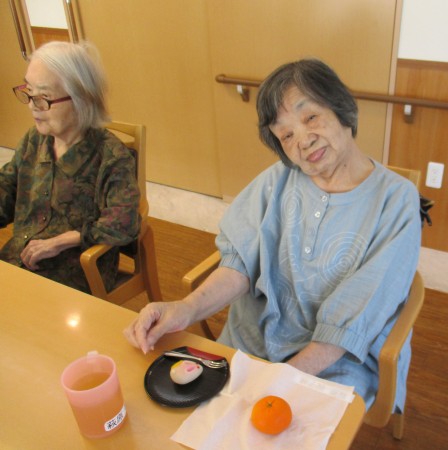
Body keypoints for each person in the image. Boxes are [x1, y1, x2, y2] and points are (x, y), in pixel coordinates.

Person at [124, 59, 421, 411]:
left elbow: (355, 317)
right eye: (286, 135)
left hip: (337, 359)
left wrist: (281, 379)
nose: (304, 141)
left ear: (341, 108)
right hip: (254, 338)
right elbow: (239, 264)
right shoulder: (276, 180)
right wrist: (185, 309)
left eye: (311, 117)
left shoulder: (396, 200)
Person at [0, 41, 140, 293]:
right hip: (18, 259)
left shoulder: (111, 156)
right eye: (29, 92)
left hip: (77, 272)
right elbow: (6, 189)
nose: (32, 105)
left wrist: (62, 241)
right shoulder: (33, 140)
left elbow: (124, 222)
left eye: (43, 98)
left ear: (81, 98)